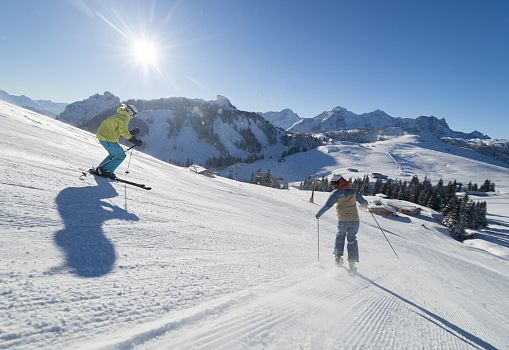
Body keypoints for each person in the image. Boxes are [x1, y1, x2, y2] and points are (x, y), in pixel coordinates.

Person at [315, 174, 368, 272]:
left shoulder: (336, 193)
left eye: (334, 183)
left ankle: (338, 258)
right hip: (355, 221)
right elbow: (364, 203)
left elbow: (327, 206)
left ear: (340, 183)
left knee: (340, 237)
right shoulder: (353, 191)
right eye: (332, 183)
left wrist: (318, 214)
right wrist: (364, 206)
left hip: (343, 220)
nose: (333, 185)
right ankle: (352, 264)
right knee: (352, 240)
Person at [93, 103, 143, 179]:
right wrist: (134, 140)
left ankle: (101, 169)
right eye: (134, 115)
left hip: (105, 137)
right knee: (120, 156)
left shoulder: (120, 115)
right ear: (131, 112)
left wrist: (132, 133)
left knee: (114, 155)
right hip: (107, 138)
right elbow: (123, 132)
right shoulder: (125, 118)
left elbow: (120, 130)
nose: (133, 117)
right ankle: (106, 171)